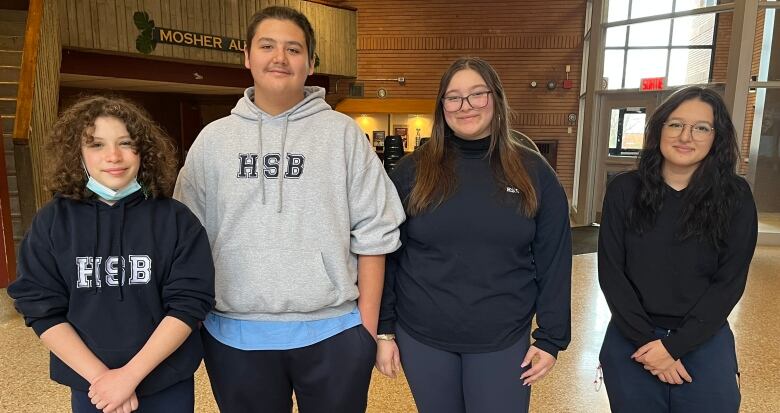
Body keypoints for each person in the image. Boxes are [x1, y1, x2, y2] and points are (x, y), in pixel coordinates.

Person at [173, 6, 405, 413]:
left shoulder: (342, 135)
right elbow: (186, 236)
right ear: (247, 57)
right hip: (234, 334)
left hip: (334, 332)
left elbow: (376, 232)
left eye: (293, 49)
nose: (279, 57)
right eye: (267, 46)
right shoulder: (213, 140)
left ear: (311, 63)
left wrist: (365, 331)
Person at [375, 57, 572, 413]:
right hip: (424, 337)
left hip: (503, 338)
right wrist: (384, 330)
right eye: (453, 97)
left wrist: (551, 337)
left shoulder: (532, 171)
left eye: (477, 94)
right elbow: (388, 256)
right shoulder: (410, 172)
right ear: (442, 107)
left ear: (496, 99)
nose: (465, 106)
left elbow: (554, 258)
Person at [7, 95, 215, 413]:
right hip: (92, 385)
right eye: (97, 145)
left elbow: (189, 304)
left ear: (142, 149)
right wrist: (103, 379)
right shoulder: (52, 222)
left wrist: (128, 377)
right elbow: (41, 308)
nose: (114, 156)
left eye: (125, 143)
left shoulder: (176, 220)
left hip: (166, 381)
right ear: (77, 153)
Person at [597, 86, 758, 413]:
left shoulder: (736, 197)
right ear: (659, 130)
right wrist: (648, 344)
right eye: (675, 124)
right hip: (632, 336)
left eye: (701, 128)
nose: (686, 136)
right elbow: (612, 274)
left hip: (703, 337)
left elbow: (729, 283)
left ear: (717, 137)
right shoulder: (624, 191)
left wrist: (673, 347)